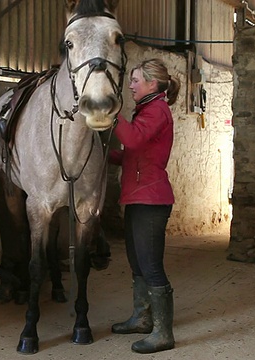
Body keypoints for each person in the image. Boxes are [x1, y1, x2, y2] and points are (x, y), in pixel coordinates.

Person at [108, 58, 180, 354]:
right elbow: (132, 155)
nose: (131, 85)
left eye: (136, 80)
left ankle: (163, 333)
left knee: (151, 266)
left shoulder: (157, 111)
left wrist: (112, 113)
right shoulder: (145, 111)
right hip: (137, 198)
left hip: (152, 200)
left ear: (153, 83)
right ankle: (142, 318)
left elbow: (133, 141)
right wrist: (104, 154)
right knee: (137, 263)